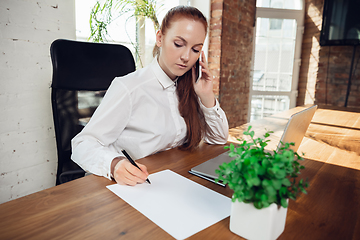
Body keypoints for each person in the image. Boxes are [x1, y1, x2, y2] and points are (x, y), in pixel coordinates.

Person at [71, 5, 229, 186]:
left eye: (195, 49)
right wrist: (114, 164)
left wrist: (207, 95)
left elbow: (218, 139)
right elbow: (82, 144)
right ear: (160, 38)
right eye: (178, 44)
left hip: (172, 181)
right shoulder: (129, 87)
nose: (186, 56)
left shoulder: (190, 86)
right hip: (133, 186)